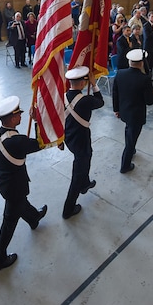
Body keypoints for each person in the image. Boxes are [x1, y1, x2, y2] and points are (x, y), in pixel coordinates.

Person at [0, 96, 48, 272]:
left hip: (2, 183)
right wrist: (37, 120)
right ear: (12, 118)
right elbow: (41, 143)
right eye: (19, 114)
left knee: (21, 205)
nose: (21, 116)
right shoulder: (17, 141)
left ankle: (34, 217)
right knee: (9, 222)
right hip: (15, 187)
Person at [63, 66, 104, 219]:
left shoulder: (63, 96)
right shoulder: (85, 100)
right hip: (81, 139)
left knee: (88, 156)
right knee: (77, 173)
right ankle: (68, 209)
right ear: (82, 83)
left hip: (69, 137)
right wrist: (94, 85)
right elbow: (100, 102)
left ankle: (85, 183)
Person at [112, 49, 153, 174]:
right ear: (142, 63)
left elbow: (115, 93)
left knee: (128, 132)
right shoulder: (145, 79)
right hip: (136, 115)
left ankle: (131, 151)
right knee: (131, 139)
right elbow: (149, 101)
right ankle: (125, 165)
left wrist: (116, 109)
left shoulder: (120, 73)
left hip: (124, 111)